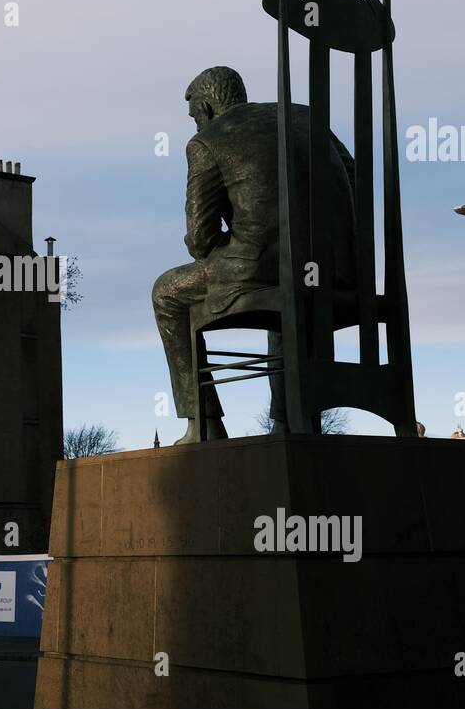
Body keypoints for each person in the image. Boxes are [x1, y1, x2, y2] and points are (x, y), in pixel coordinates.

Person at [152, 66, 357, 443]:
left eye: (195, 114)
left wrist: (242, 242)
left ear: (209, 107)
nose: (196, 124)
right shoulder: (307, 115)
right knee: (286, 303)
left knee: (166, 292)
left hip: (259, 268)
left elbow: (200, 239)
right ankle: (291, 420)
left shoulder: (207, 142)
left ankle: (204, 423)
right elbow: (352, 173)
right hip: (336, 272)